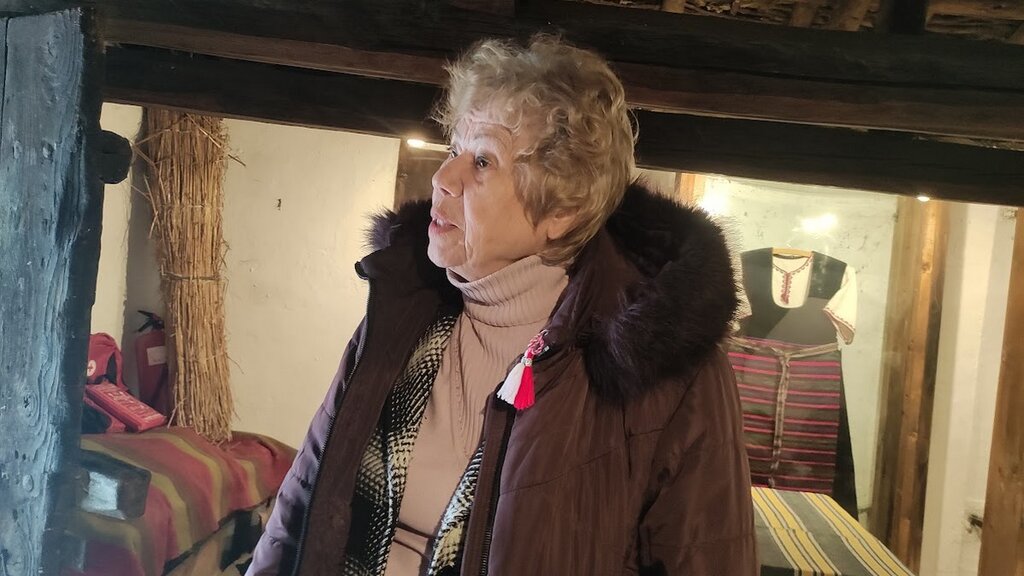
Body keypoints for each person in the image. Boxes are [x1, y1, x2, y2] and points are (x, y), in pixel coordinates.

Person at [248, 35, 756, 576]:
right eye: (454, 151)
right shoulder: (401, 308)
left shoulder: (671, 374)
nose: (443, 179)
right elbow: (301, 508)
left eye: (483, 161)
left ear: (561, 208)